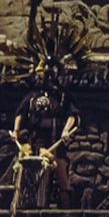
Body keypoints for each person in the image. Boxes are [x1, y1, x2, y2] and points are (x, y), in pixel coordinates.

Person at [12, 79, 79, 208]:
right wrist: (16, 130)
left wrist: (66, 130)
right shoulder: (32, 96)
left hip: (55, 140)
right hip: (35, 139)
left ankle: (67, 207)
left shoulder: (62, 96)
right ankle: (25, 203)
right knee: (28, 169)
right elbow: (20, 112)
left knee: (61, 171)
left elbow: (72, 114)